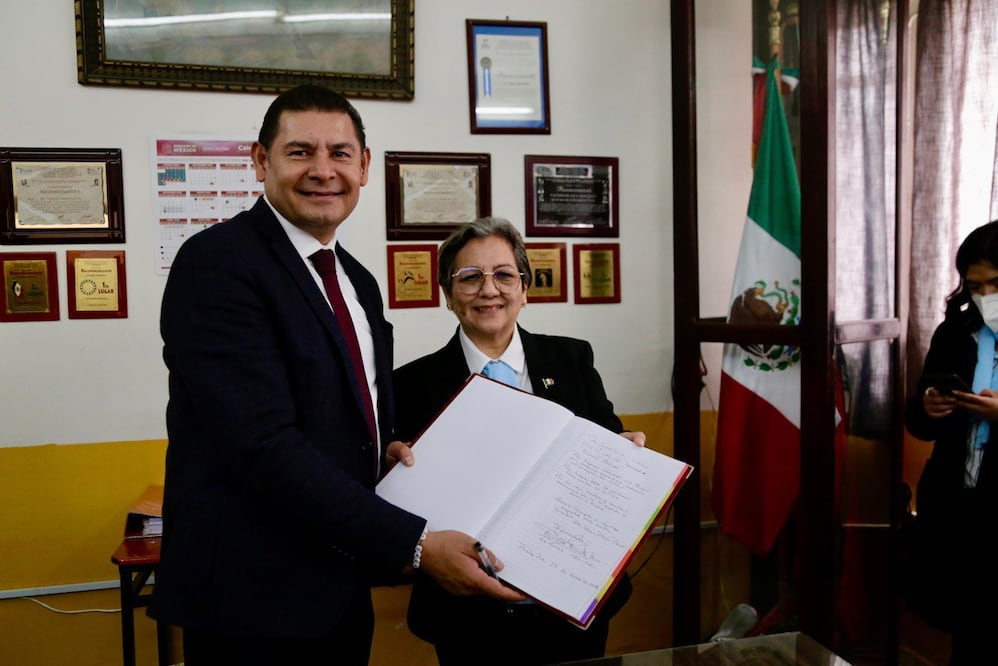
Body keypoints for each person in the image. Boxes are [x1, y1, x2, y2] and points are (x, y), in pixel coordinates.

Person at [149, 86, 521, 665]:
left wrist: (386, 452)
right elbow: (261, 445)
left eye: (341, 154)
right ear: (260, 161)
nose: (323, 171)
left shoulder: (357, 281)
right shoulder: (217, 264)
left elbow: (351, 419)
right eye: (300, 152)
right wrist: (416, 544)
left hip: (338, 589)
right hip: (252, 602)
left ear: (365, 166)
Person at [392, 216, 646, 665]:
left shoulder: (571, 358)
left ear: (524, 289)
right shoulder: (409, 384)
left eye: (504, 275)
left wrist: (625, 452)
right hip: (466, 617)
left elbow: (607, 439)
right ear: (448, 296)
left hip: (572, 604)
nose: (489, 290)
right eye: (469, 278)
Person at [905, 219, 998, 665]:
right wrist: (928, 405)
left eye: (996, 284)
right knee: (964, 637)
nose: (985, 298)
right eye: (975, 286)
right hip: (958, 509)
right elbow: (918, 420)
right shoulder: (955, 332)